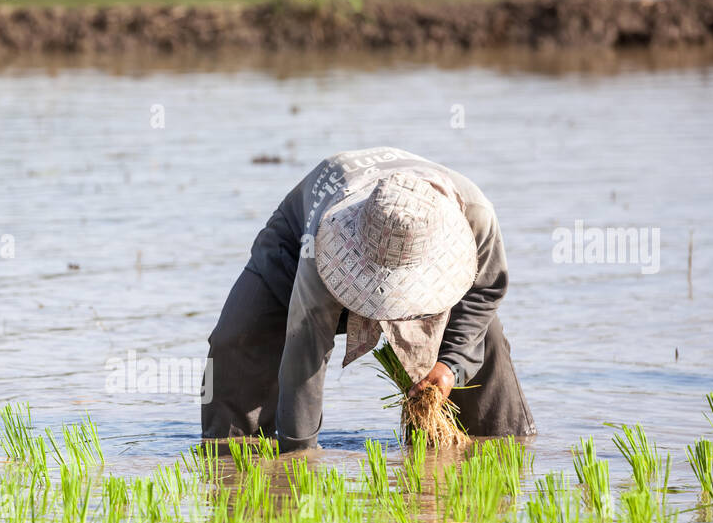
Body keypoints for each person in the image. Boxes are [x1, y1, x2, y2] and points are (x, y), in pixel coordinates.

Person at [201, 146, 535, 452]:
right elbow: (306, 352)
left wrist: (450, 366)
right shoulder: (325, 244)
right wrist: (298, 455)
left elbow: (485, 292)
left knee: (482, 340)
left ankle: (504, 447)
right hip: (296, 242)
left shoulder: (475, 215)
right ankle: (230, 460)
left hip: (421, 241)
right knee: (237, 339)